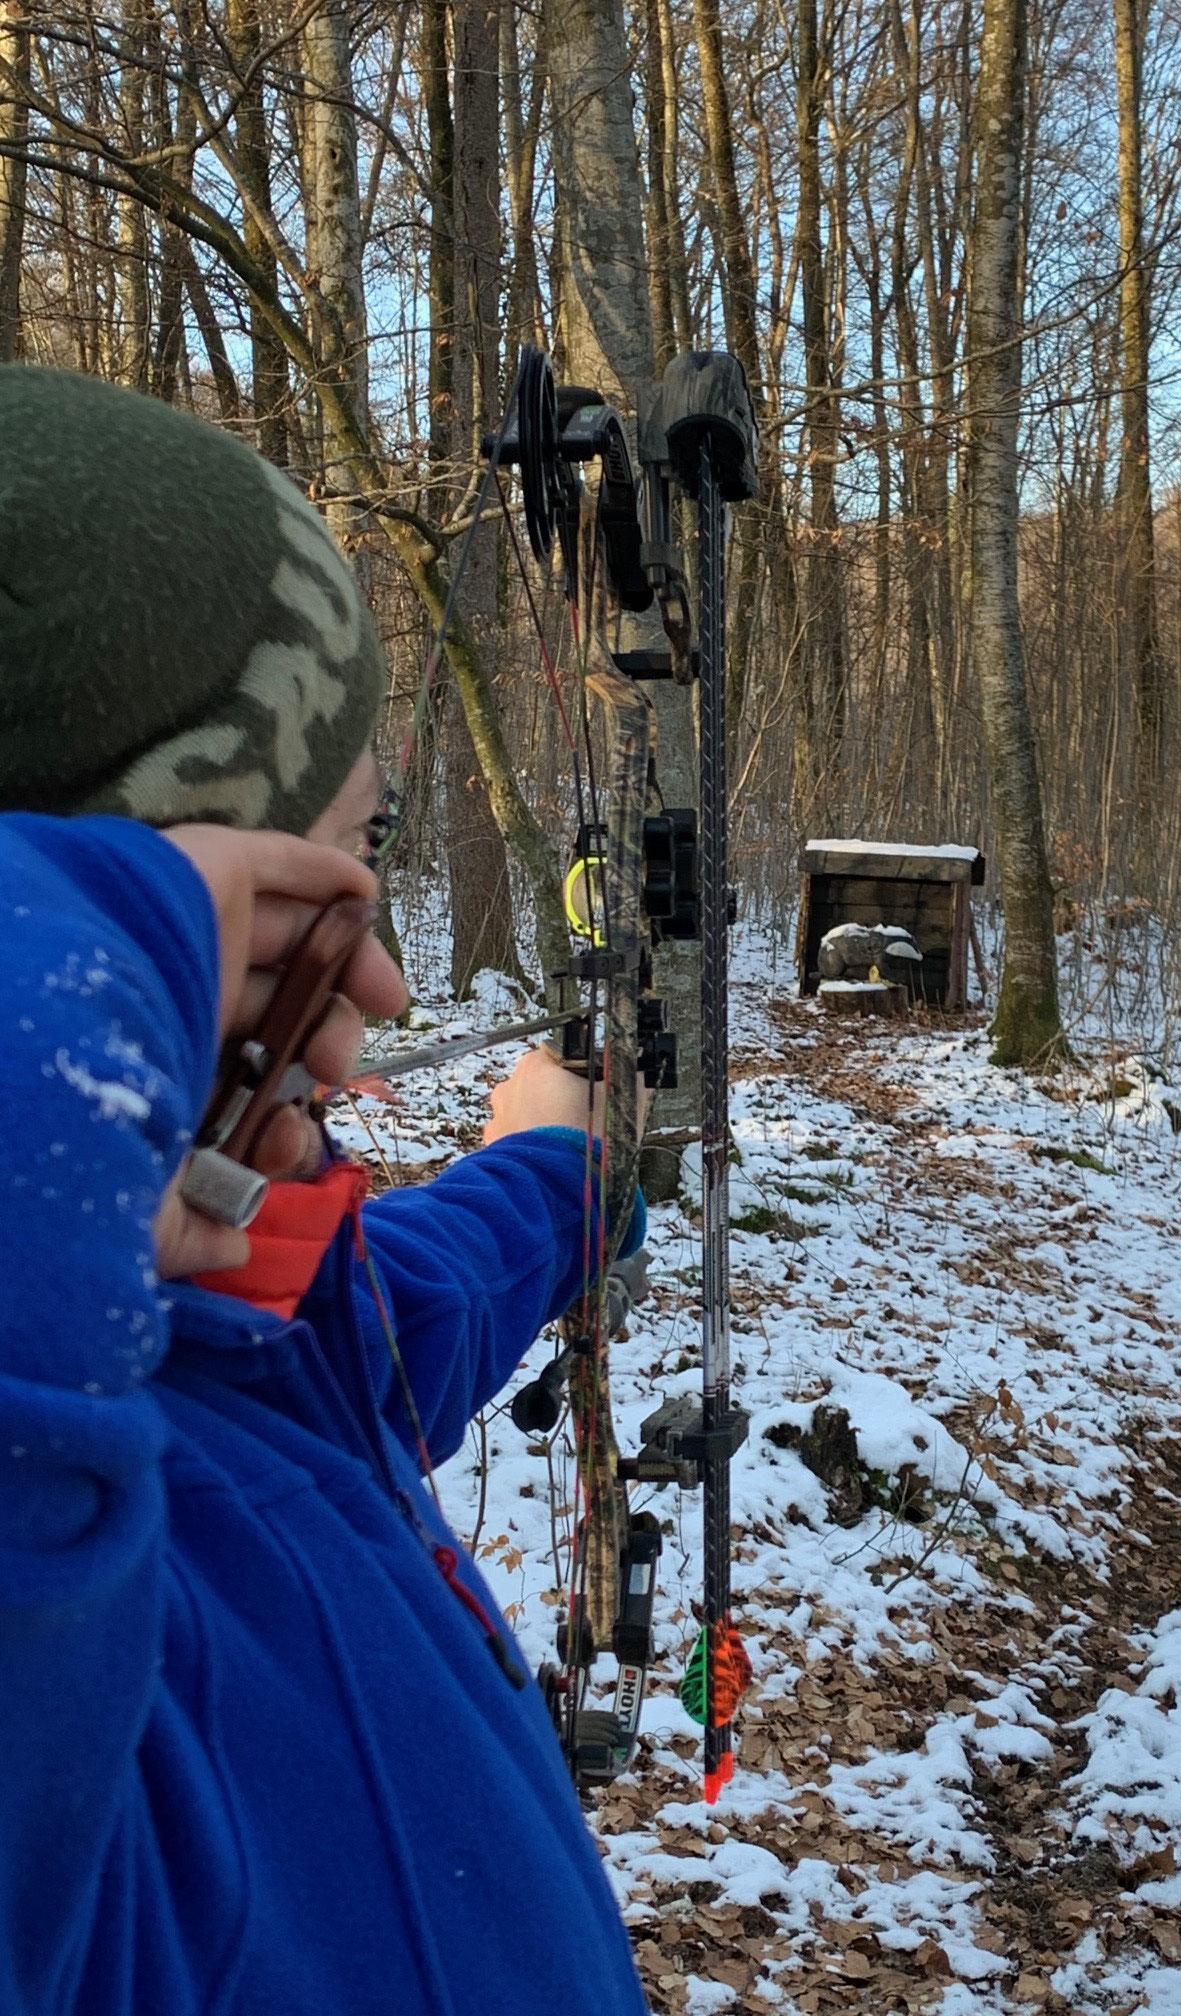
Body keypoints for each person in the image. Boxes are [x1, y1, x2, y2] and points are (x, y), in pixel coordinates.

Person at [0, 365, 651, 2014]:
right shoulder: (58, 1526)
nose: (381, 1000)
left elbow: (373, 1335)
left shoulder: (223, 1320)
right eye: (291, 913)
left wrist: (560, 1173)